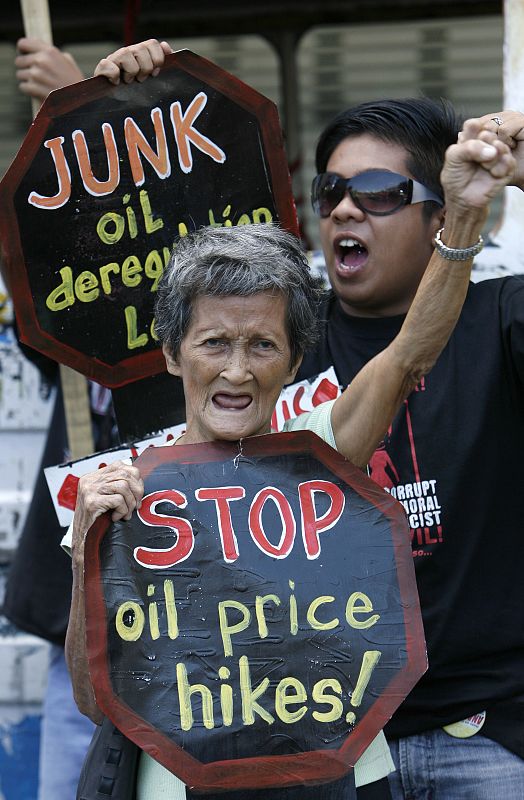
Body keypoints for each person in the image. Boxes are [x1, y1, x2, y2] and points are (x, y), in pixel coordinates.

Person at [62, 102, 513, 799]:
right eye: (215, 343)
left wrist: (464, 223)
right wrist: (92, 537)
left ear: (294, 357)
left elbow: (408, 353)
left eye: (262, 345)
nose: (237, 370)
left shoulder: (325, 451)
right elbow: (96, 699)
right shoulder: (122, 492)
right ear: (173, 353)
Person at [293, 99, 524, 799]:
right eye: (330, 192)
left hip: (488, 738)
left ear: (442, 216)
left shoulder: (502, 320)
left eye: (380, 194)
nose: (342, 212)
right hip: (331, 750)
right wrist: (125, 106)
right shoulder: (276, 347)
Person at [2, 38, 93, 800]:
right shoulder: (67, 339)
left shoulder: (212, 353)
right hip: (81, 633)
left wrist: (78, 110)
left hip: (197, 633)